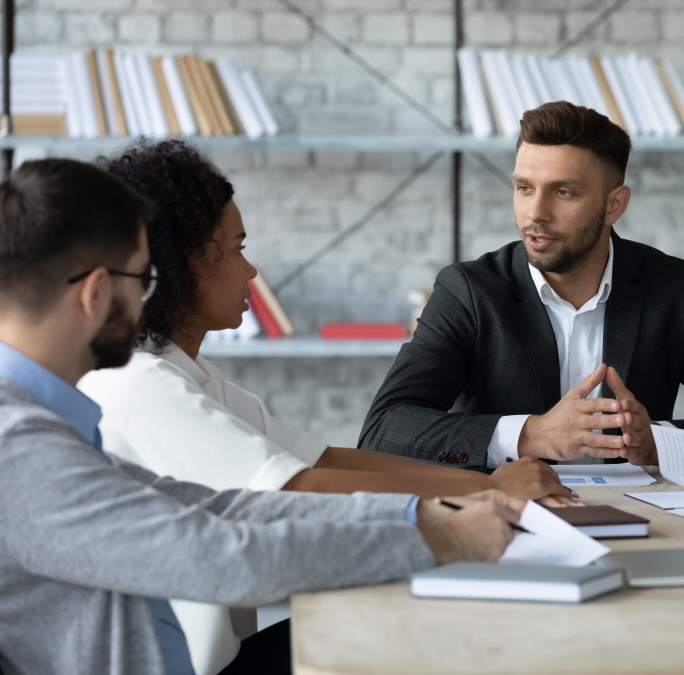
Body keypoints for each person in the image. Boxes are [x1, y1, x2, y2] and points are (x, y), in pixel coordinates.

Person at [0, 157, 523, 675]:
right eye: (142, 277)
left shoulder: (41, 424)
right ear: (94, 293)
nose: (148, 295)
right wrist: (440, 538)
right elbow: (221, 555)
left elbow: (223, 509)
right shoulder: (21, 446)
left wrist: (421, 515)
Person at [360, 101, 684, 469]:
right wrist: (531, 435)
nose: (536, 213)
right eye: (524, 188)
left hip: (644, 521)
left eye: (563, 192)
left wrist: (659, 442)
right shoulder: (469, 291)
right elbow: (383, 430)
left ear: (613, 205)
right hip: (509, 518)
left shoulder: (676, 288)